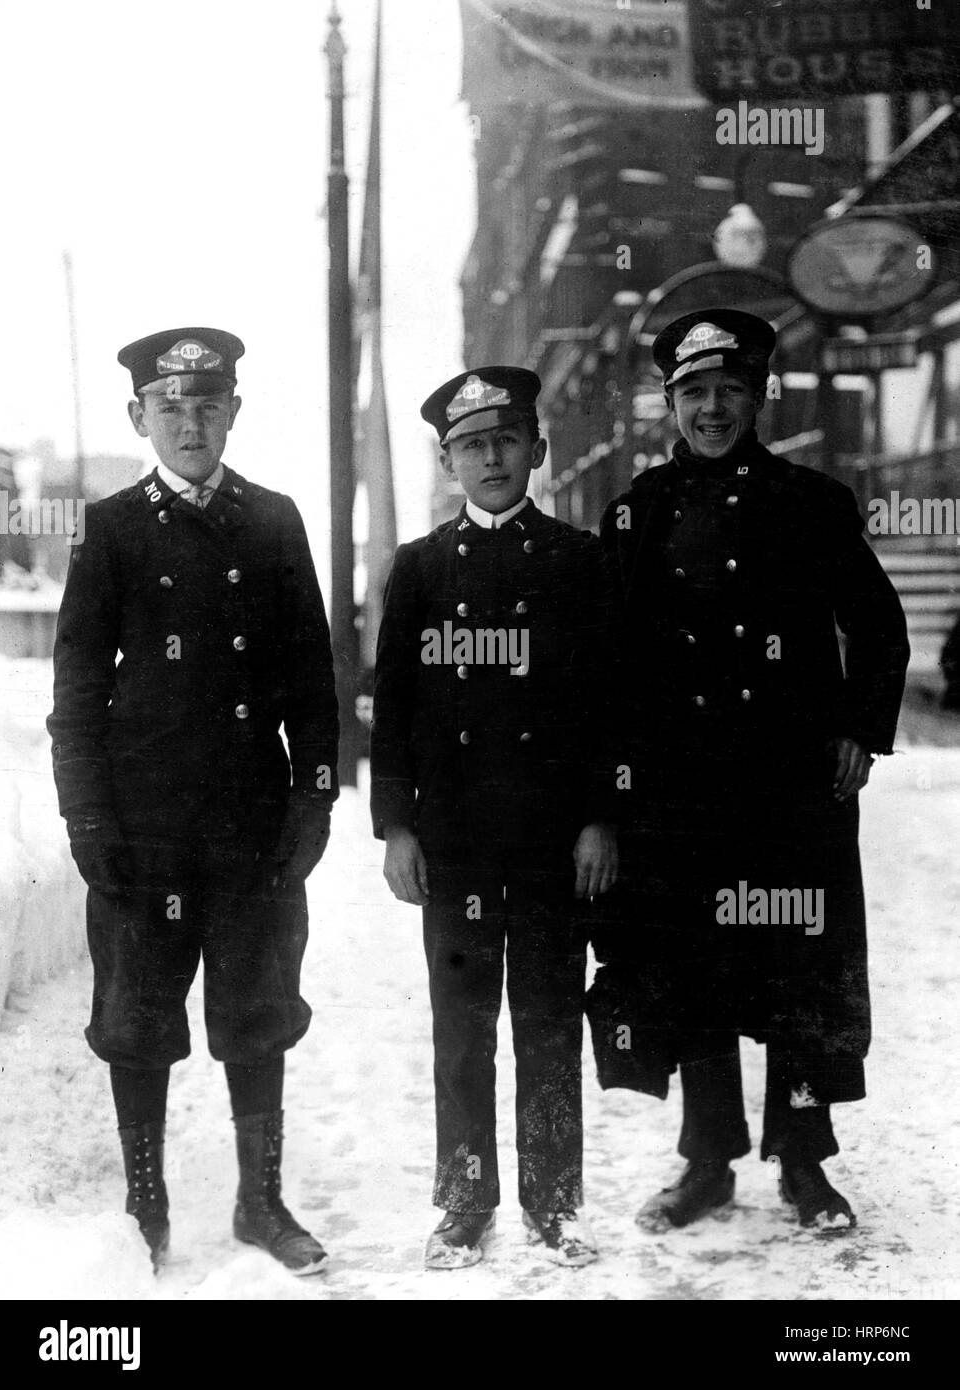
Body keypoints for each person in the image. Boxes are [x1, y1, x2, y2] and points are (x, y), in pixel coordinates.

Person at [589, 310, 910, 1233]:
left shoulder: (811, 503)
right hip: (678, 794)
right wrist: (615, 780)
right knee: (694, 972)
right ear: (669, 403)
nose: (712, 408)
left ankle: (805, 1164)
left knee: (800, 973)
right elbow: (607, 656)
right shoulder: (637, 510)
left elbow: (877, 627)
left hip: (790, 792)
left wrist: (859, 727)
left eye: (730, 389)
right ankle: (707, 1160)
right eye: (693, 392)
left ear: (759, 395)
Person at [47, 327, 338, 1275]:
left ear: (234, 413)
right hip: (143, 828)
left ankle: (260, 1201)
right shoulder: (110, 527)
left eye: (207, 405)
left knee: (258, 1012)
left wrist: (313, 802)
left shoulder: (274, 520)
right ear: (141, 418)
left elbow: (311, 682)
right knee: (136, 1018)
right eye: (170, 409)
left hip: (251, 828)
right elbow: (77, 694)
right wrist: (87, 819)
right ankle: (145, 1202)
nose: (190, 423)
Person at [370, 367, 619, 1268]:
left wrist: (600, 817)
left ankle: (554, 1205)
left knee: (549, 1024)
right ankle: (463, 1204)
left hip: (553, 841)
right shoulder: (421, 567)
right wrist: (396, 826)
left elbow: (607, 703)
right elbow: (390, 705)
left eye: (506, 439)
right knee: (462, 1032)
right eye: (471, 445)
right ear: (447, 462)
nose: (492, 457)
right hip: (459, 843)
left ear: (536, 451)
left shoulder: (581, 561)